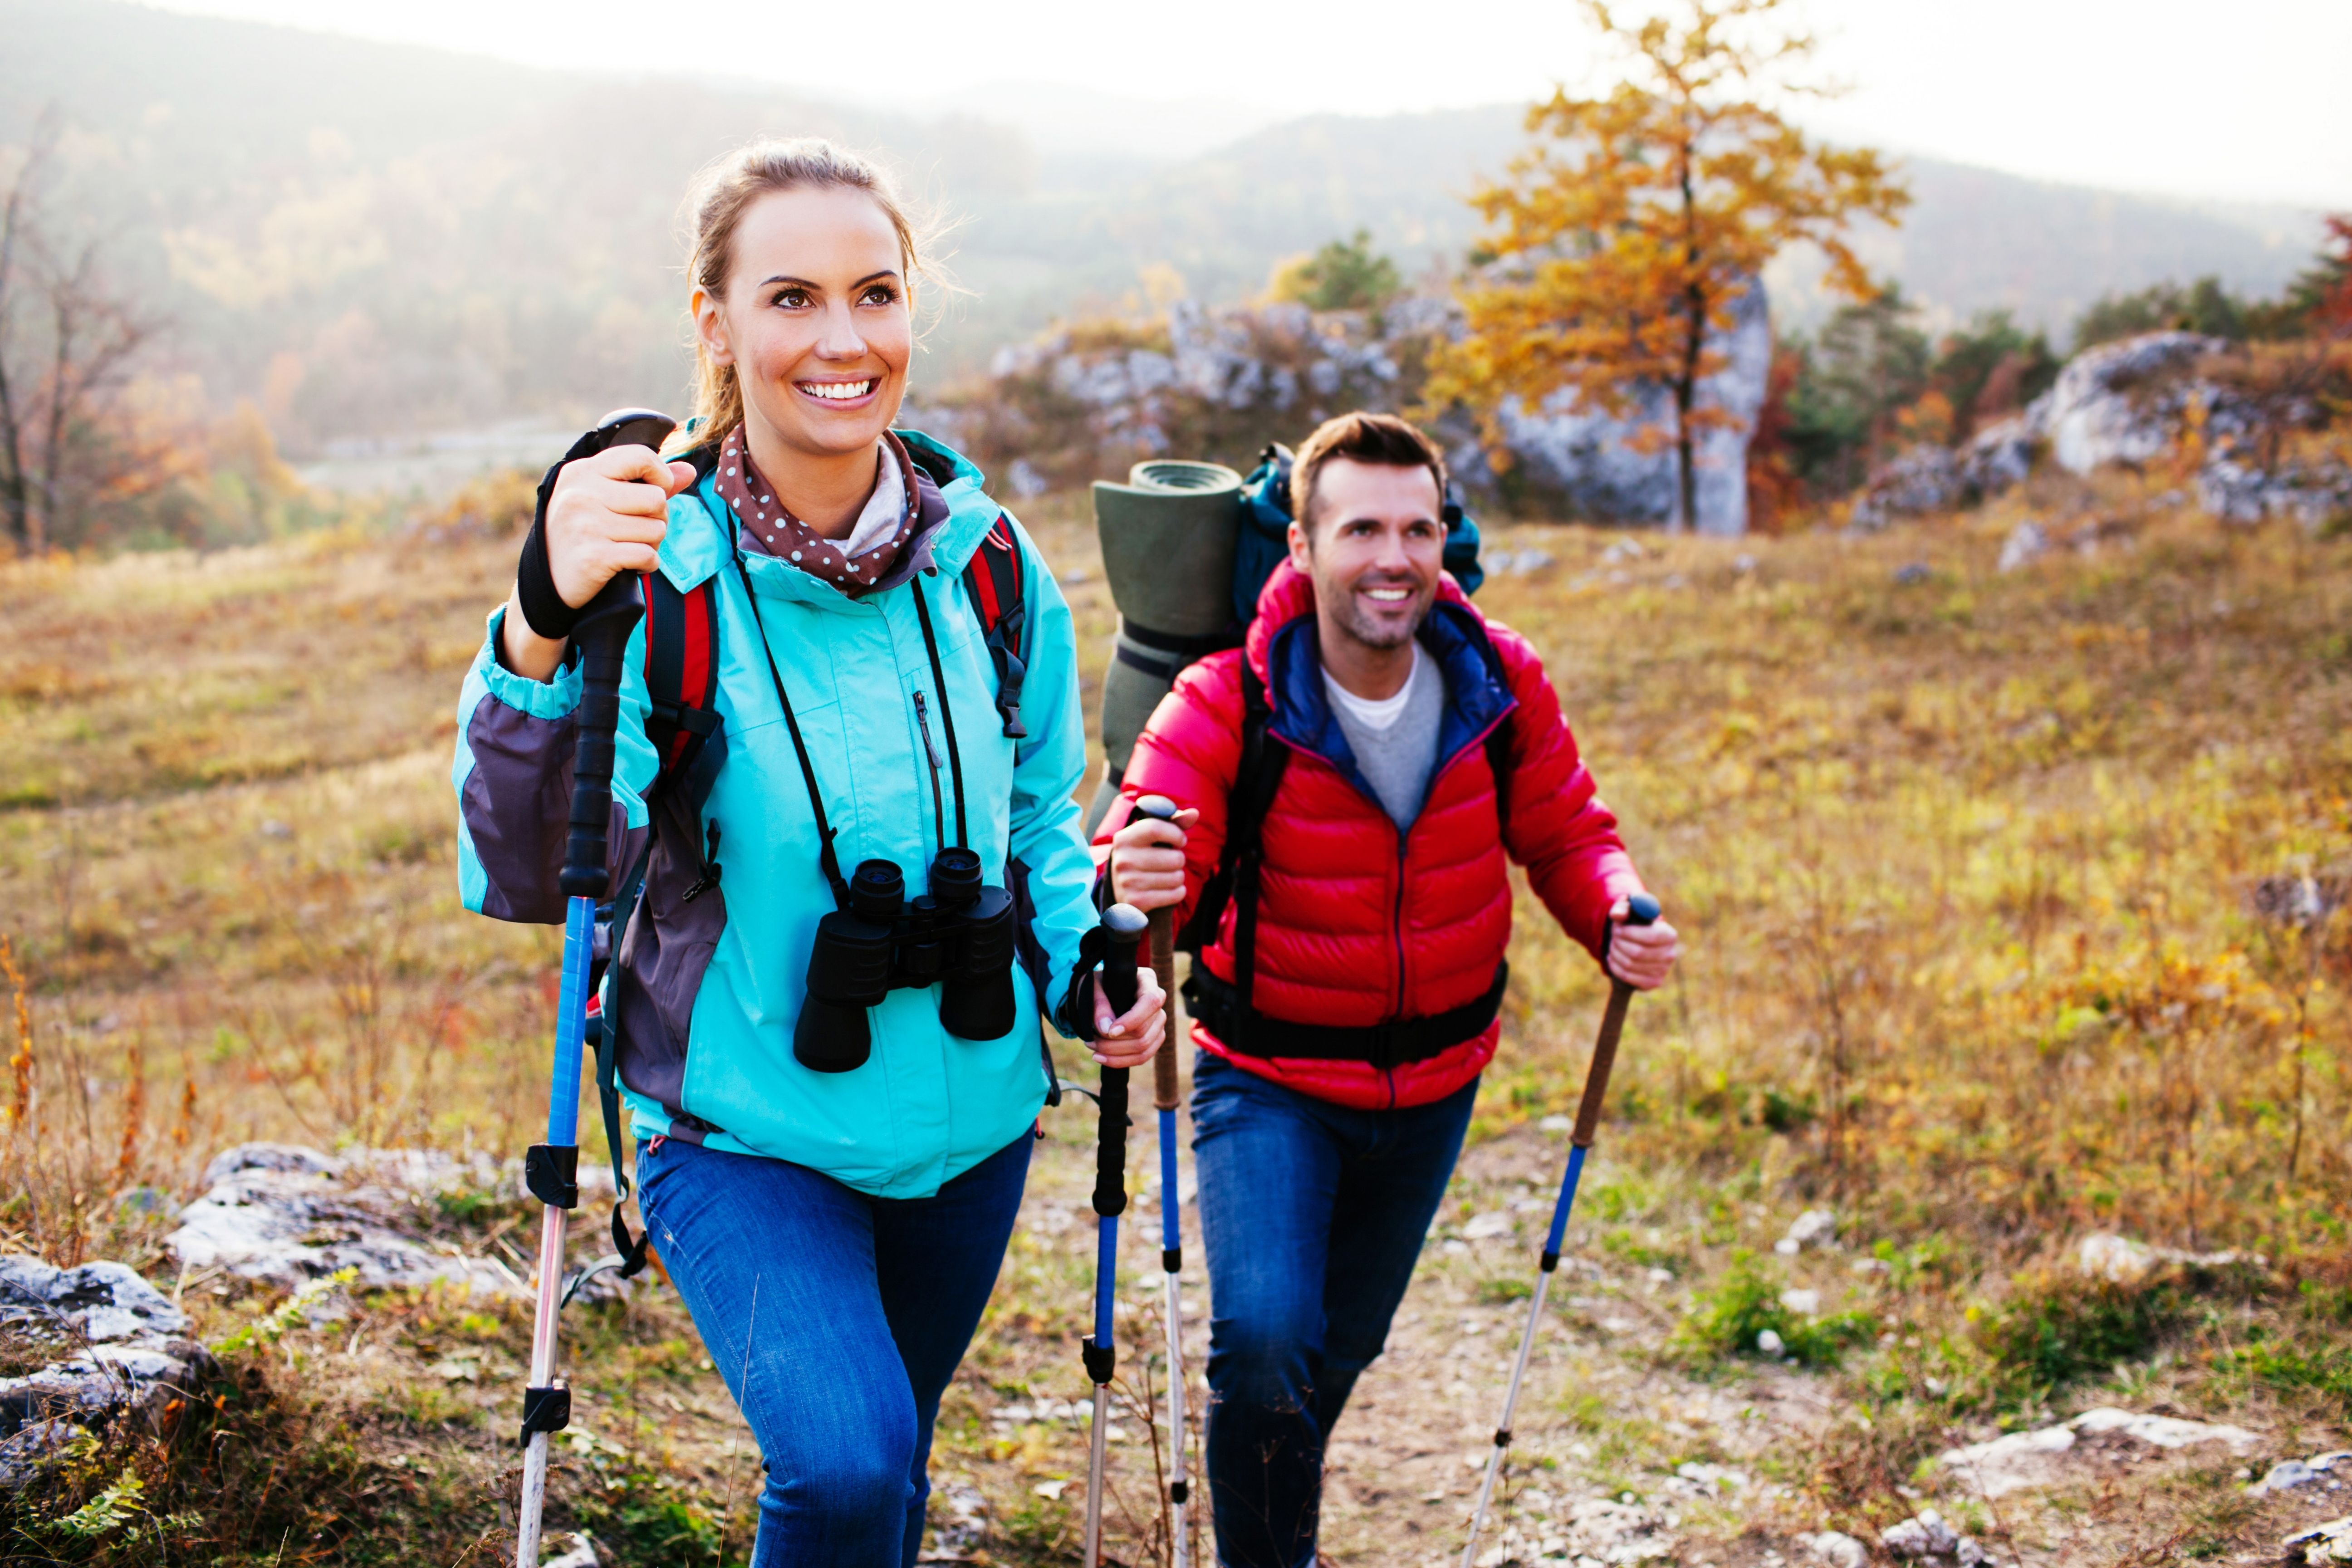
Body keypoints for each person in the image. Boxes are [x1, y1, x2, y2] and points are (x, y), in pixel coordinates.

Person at [451, 138, 1164, 1567]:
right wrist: (540, 613)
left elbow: (1035, 818)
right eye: (790, 298)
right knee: (843, 1469)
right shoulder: (657, 575)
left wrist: (1090, 968)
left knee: (892, 1465)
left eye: (876, 294)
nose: (843, 340)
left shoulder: (993, 561)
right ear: (715, 326)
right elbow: (538, 871)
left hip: (972, 1124)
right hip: (743, 1128)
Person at [1101, 412, 1679, 1568]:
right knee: (1264, 1342)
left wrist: (1615, 904)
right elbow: (1137, 849)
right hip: (1268, 1083)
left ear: (1445, 541)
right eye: (1361, 527)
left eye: (1419, 528)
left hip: (1436, 1086)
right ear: (1303, 549)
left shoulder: (1497, 679)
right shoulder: (1228, 697)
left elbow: (1569, 831)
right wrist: (1134, 872)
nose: (1394, 556)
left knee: (1338, 1349)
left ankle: (1276, 1529)